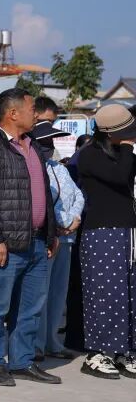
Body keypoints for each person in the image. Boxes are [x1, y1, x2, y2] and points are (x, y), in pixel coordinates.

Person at [0, 88, 59, 387]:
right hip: (5, 245)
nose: (36, 114)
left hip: (37, 241)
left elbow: (44, 193)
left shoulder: (33, 146)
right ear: (13, 113)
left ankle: (22, 361)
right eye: (32, 109)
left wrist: (50, 232)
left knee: (31, 307)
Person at [77, 104, 136, 379]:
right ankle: (97, 353)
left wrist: (126, 150)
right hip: (102, 232)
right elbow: (120, 177)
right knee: (105, 293)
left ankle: (124, 350)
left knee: (129, 293)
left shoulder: (122, 153)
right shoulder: (90, 155)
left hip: (127, 230)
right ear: (111, 133)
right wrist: (128, 148)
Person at [32, 121, 84, 361]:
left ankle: (52, 341)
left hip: (67, 237)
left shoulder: (58, 167)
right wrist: (63, 222)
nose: (49, 146)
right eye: (44, 142)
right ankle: (36, 343)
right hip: (48, 236)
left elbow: (77, 195)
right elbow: (41, 203)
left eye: (51, 141)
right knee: (39, 294)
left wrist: (74, 218)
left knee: (58, 292)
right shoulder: (31, 168)